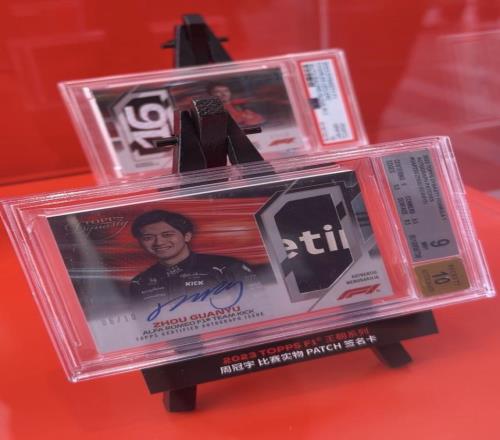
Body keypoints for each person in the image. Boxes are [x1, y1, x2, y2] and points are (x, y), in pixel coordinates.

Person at [129, 209, 256, 302]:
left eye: (167, 235)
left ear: (187, 236)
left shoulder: (227, 267)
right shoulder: (140, 282)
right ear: (140, 242)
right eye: (148, 237)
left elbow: (258, 308)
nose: (159, 242)